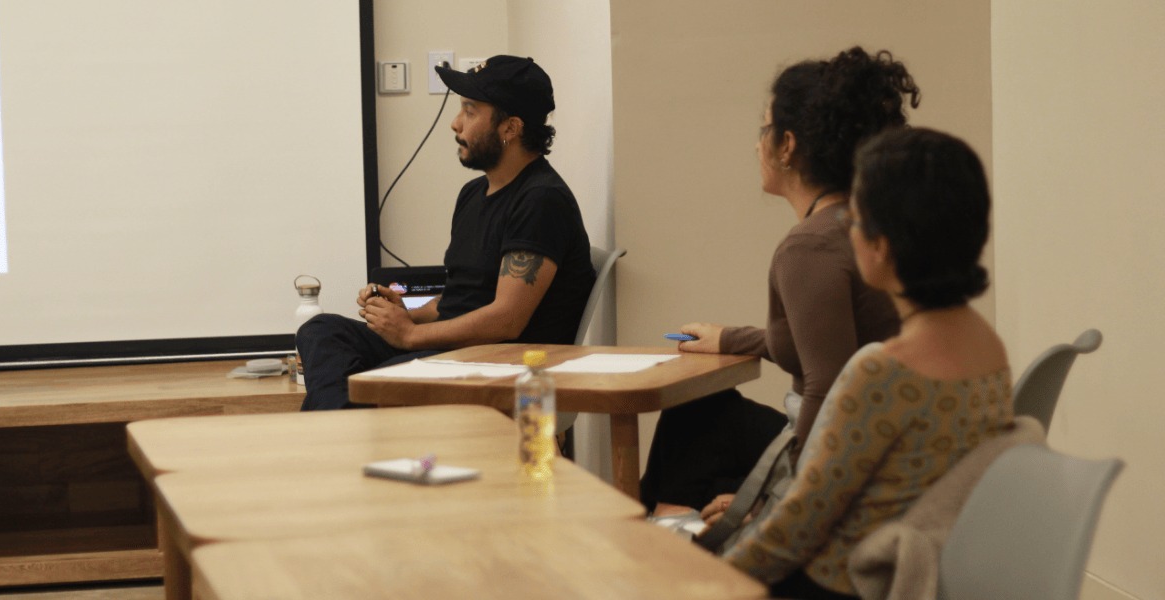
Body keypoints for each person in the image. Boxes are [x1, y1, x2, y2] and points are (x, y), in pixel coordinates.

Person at [719, 127, 1013, 599]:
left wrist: (698, 575)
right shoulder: (989, 346)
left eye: (855, 217)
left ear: (879, 246)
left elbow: (795, 530)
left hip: (843, 582)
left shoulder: (881, 372)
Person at [640, 47, 918, 514]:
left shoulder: (808, 247)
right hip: (886, 443)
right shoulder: (867, 221)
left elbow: (827, 388)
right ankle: (679, 531)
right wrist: (733, 337)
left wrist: (773, 501)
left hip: (849, 468)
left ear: (787, 145)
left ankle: (680, 550)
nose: (757, 144)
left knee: (690, 446)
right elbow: (836, 340)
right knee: (698, 413)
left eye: (764, 130)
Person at [296, 55, 596, 411]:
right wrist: (406, 311)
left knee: (373, 382)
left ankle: (336, 432)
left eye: (470, 111)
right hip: (456, 348)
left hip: (502, 362)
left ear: (510, 128)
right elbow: (457, 301)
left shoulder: (541, 200)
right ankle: (343, 425)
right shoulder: (473, 194)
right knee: (320, 331)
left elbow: (507, 319)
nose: (456, 124)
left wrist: (410, 335)